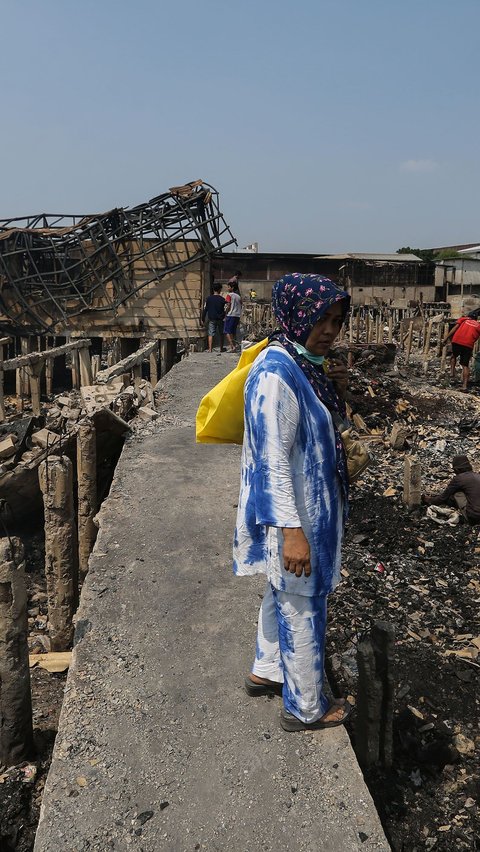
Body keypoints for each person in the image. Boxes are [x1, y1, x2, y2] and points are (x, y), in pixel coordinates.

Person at [233, 273, 353, 732]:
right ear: (295, 314)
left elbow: (323, 428)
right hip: (296, 514)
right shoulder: (275, 374)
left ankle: (266, 670)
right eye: (319, 319)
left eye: (336, 321)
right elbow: (270, 462)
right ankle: (305, 707)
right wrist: (292, 531)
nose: (328, 331)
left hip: (306, 511)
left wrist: (336, 389)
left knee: (281, 589)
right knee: (304, 602)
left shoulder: (303, 367)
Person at [422, 455, 480, 524]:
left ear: (457, 469)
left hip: (474, 516)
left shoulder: (459, 479)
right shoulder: (477, 476)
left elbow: (443, 498)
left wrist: (428, 500)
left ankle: (466, 518)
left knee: (457, 493)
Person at [442, 315, 480, 390]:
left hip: (457, 340)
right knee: (465, 365)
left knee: (453, 356)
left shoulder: (463, 319)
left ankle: (452, 373)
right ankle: (465, 386)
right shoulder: (478, 325)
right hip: (468, 344)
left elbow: (455, 328)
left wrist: (446, 338)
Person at [202, 283, 226, 353]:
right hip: (220, 319)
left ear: (213, 289)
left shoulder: (208, 299)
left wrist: (202, 319)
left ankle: (210, 349)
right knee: (221, 334)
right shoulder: (222, 299)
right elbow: (225, 309)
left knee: (210, 333)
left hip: (212, 318)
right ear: (220, 290)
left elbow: (205, 309)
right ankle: (221, 348)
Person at [224, 280, 242, 352]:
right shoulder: (238, 296)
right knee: (233, 331)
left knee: (227, 331)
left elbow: (228, 305)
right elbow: (241, 305)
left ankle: (232, 346)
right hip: (237, 315)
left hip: (230, 315)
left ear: (232, 287)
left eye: (228, 287)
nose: (228, 288)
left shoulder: (229, 295)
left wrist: (225, 313)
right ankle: (235, 345)